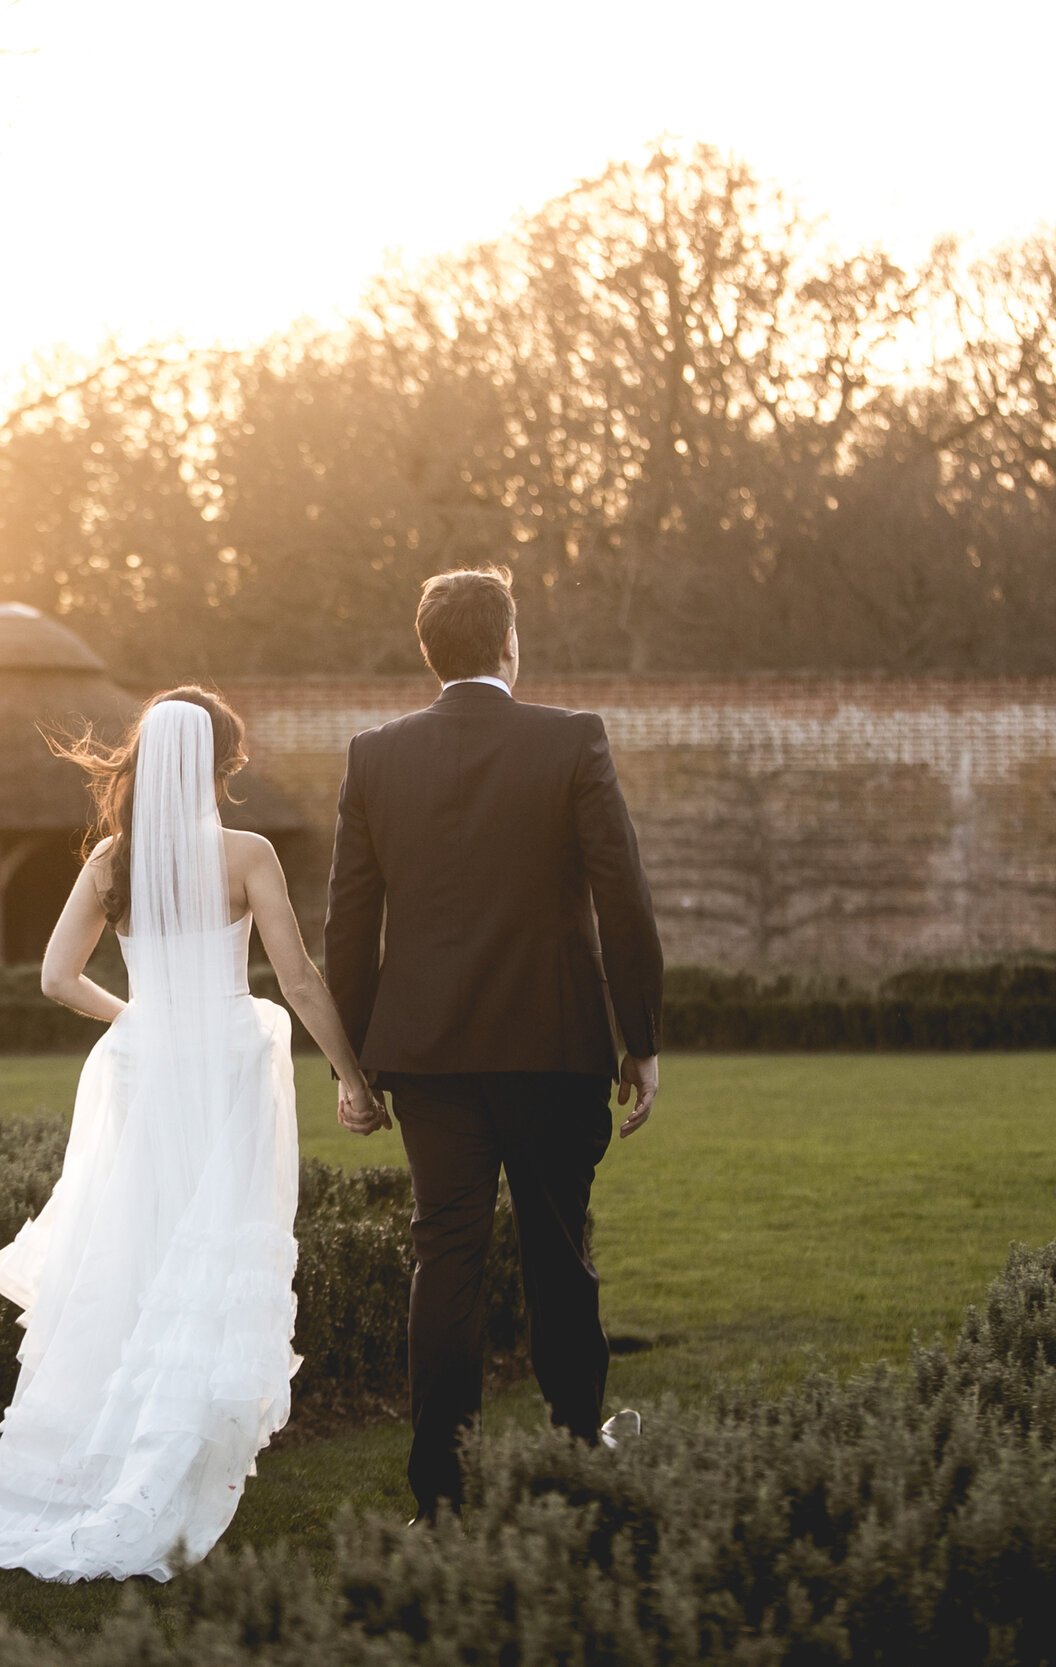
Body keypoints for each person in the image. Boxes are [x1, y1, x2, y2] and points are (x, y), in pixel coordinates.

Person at [0, 686, 380, 1583]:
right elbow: (297, 980)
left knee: (133, 1251)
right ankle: (160, 1464)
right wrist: (352, 1075)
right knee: (207, 1251)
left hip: (146, 1064)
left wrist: (135, 1020)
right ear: (223, 761)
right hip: (224, 1060)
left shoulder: (114, 860)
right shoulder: (246, 852)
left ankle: (92, 1463)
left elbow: (56, 978)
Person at [324, 564, 665, 1518]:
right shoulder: (572, 739)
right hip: (554, 1044)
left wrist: (353, 1064)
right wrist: (640, 1038)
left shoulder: (373, 756)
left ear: (429, 652)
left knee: (447, 1260)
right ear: (511, 646)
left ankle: (438, 1484)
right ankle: (573, 1451)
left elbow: (347, 926)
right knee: (560, 1253)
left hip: (426, 1057)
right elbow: (623, 897)